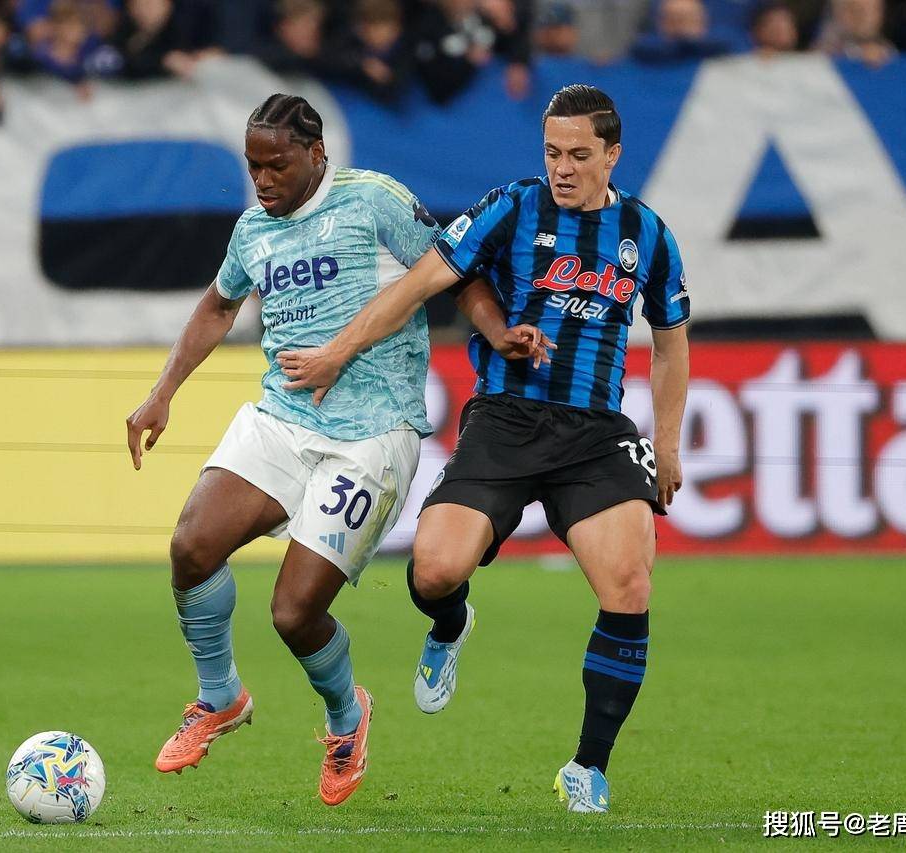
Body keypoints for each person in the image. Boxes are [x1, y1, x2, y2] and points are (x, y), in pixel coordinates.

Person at [276, 83, 691, 814]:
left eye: (579, 155)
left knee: (629, 584)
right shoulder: (512, 206)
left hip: (595, 434)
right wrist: (338, 352)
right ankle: (451, 623)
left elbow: (670, 344)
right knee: (435, 570)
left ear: (613, 155)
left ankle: (588, 767)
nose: (562, 168)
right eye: (552, 152)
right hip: (505, 419)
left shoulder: (648, 234)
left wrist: (668, 444)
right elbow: (417, 286)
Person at [124, 93, 547, 807]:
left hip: (371, 435)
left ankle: (348, 715)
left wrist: (499, 331)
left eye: (276, 165)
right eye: (253, 166)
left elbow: (454, 271)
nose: (263, 180)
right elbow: (219, 305)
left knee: (293, 613)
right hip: (282, 418)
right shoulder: (253, 229)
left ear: (316, 154)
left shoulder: (373, 200)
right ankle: (219, 696)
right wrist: (162, 391)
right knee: (192, 545)